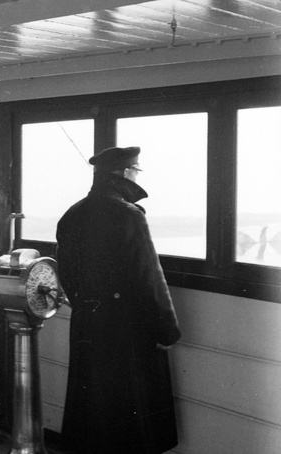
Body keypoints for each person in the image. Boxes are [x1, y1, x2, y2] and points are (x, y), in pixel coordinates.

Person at [56, 146, 181, 454]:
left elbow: (66, 274)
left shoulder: (71, 214)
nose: (137, 175)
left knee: (92, 408)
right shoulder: (129, 214)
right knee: (128, 414)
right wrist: (166, 330)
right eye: (136, 170)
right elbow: (149, 277)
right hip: (126, 328)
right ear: (125, 173)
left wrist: (87, 305)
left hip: (87, 322)